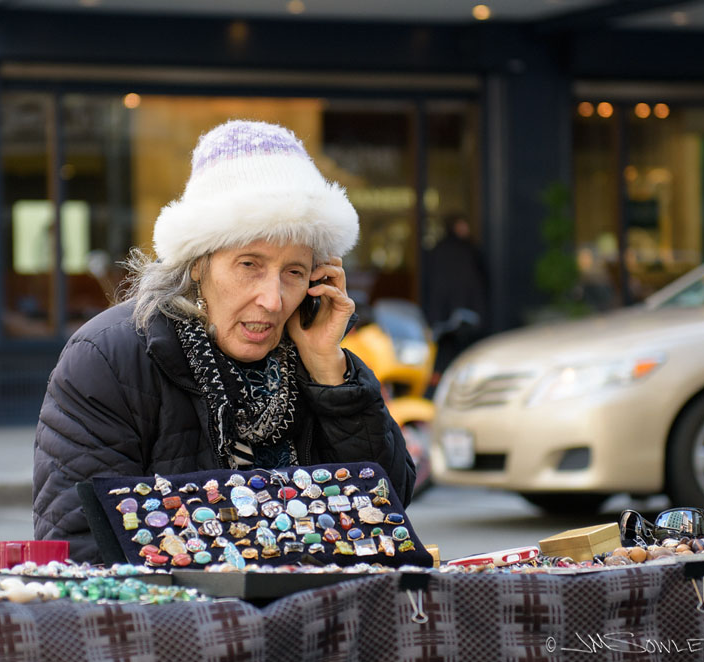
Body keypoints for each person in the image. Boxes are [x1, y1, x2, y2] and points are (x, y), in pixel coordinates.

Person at [33, 120, 417, 561]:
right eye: (250, 265)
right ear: (198, 265)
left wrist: (329, 374)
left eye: (294, 272)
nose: (273, 300)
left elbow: (388, 512)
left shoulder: (317, 360)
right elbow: (82, 547)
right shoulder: (109, 358)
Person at [423, 212, 489, 383]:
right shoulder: (466, 249)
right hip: (461, 309)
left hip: (448, 310)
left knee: (451, 348)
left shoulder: (447, 249)